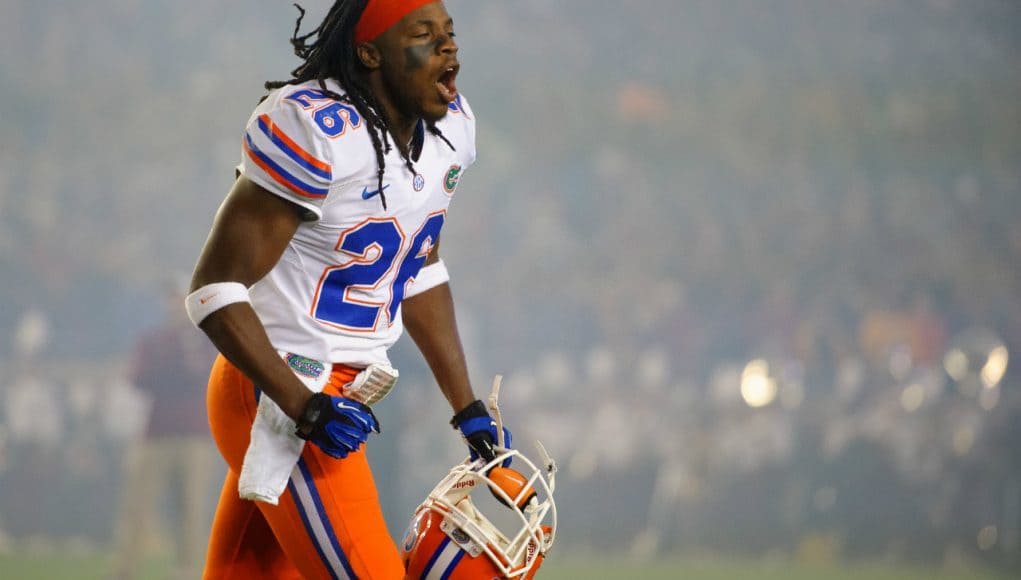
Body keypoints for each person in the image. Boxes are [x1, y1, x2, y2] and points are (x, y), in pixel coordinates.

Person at [186, 1, 510, 578]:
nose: (448, 47)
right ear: (369, 53)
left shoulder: (449, 129)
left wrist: (467, 407)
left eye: (449, 33)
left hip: (345, 390)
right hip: (276, 383)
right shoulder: (314, 129)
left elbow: (418, 267)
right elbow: (214, 290)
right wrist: (302, 406)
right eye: (422, 34)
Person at [113, 284, 220, 579]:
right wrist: (178, 366)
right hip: (156, 434)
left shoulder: (206, 341)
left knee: (192, 508)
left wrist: (181, 368)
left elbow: (211, 378)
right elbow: (137, 377)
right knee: (138, 506)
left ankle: (188, 569)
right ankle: (126, 568)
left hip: (195, 436)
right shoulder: (154, 341)